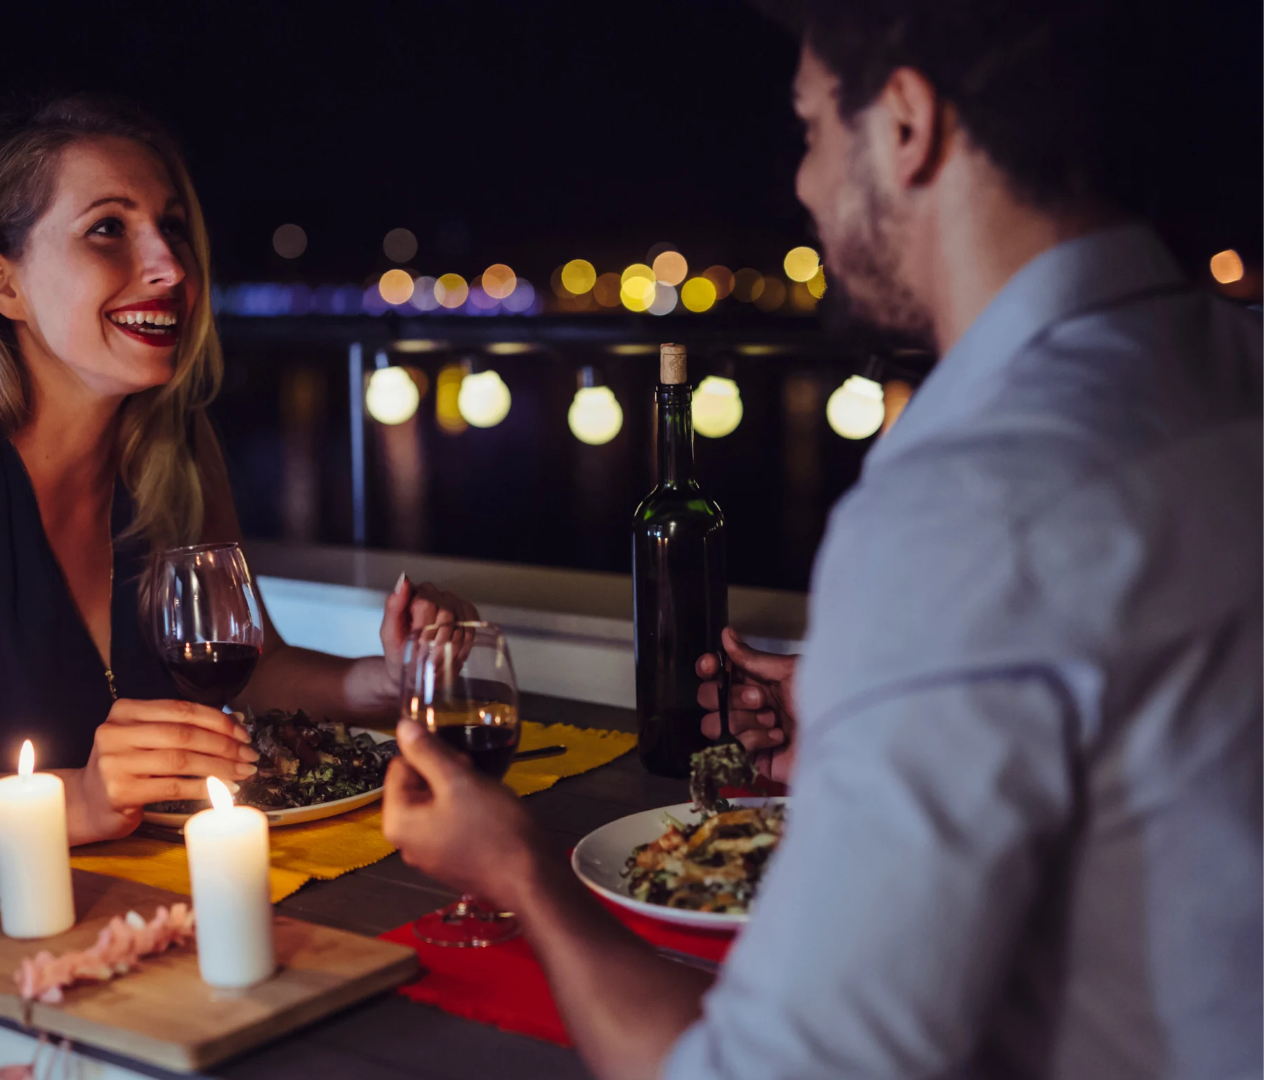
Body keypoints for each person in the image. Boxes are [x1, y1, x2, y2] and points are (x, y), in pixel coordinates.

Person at [383, 3, 1262, 1078]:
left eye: (808, 130)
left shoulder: (964, 505)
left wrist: (521, 870)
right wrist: (867, 698)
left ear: (904, 126)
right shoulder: (1233, 363)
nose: (801, 183)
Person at [0, 95, 476, 863]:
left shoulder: (172, 446)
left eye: (172, 227)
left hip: (116, 896)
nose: (170, 268)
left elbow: (245, 674)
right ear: (0, 282)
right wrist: (77, 800)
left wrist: (379, 682)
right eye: (107, 228)